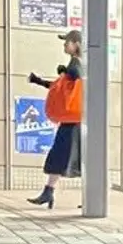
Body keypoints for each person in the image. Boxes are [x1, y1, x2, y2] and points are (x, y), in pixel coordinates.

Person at [26, 29, 83, 209]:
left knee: (72, 157)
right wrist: (40, 81)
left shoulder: (78, 63)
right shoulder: (76, 63)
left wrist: (67, 73)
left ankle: (51, 192)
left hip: (74, 120)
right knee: (65, 156)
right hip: (72, 120)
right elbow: (61, 87)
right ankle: (48, 192)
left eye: (67, 42)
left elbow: (77, 80)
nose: (64, 45)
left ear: (77, 44)